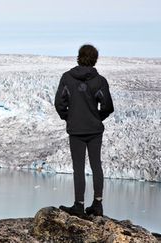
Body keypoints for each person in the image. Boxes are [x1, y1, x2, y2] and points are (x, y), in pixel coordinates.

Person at [54, 44, 114, 218]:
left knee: (78, 168)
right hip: (94, 130)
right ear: (95, 58)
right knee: (97, 165)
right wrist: (97, 117)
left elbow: (60, 104)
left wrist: (69, 117)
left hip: (76, 130)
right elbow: (108, 106)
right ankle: (97, 204)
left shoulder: (67, 78)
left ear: (79, 57)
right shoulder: (99, 80)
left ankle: (79, 206)